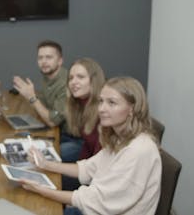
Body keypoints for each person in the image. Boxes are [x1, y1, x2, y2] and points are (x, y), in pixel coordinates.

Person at [21, 77, 161, 215]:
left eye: (111, 103)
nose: (101, 109)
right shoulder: (119, 138)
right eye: (101, 101)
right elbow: (88, 168)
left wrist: (42, 190)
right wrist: (45, 164)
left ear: (132, 109)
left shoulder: (139, 150)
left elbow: (95, 201)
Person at [13, 40, 76, 161]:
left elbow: (52, 121)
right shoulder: (48, 77)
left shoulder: (66, 82)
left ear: (60, 61)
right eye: (40, 58)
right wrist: (29, 95)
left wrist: (31, 97)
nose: (44, 62)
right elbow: (44, 107)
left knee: (32, 156)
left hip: (72, 138)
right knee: (23, 146)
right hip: (58, 132)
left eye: (49, 57)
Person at [62, 58, 105, 191]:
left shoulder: (103, 111)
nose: (73, 82)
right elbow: (87, 146)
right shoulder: (81, 105)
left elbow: (101, 165)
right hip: (90, 169)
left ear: (94, 81)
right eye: (71, 78)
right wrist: (78, 168)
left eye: (80, 77)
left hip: (99, 180)